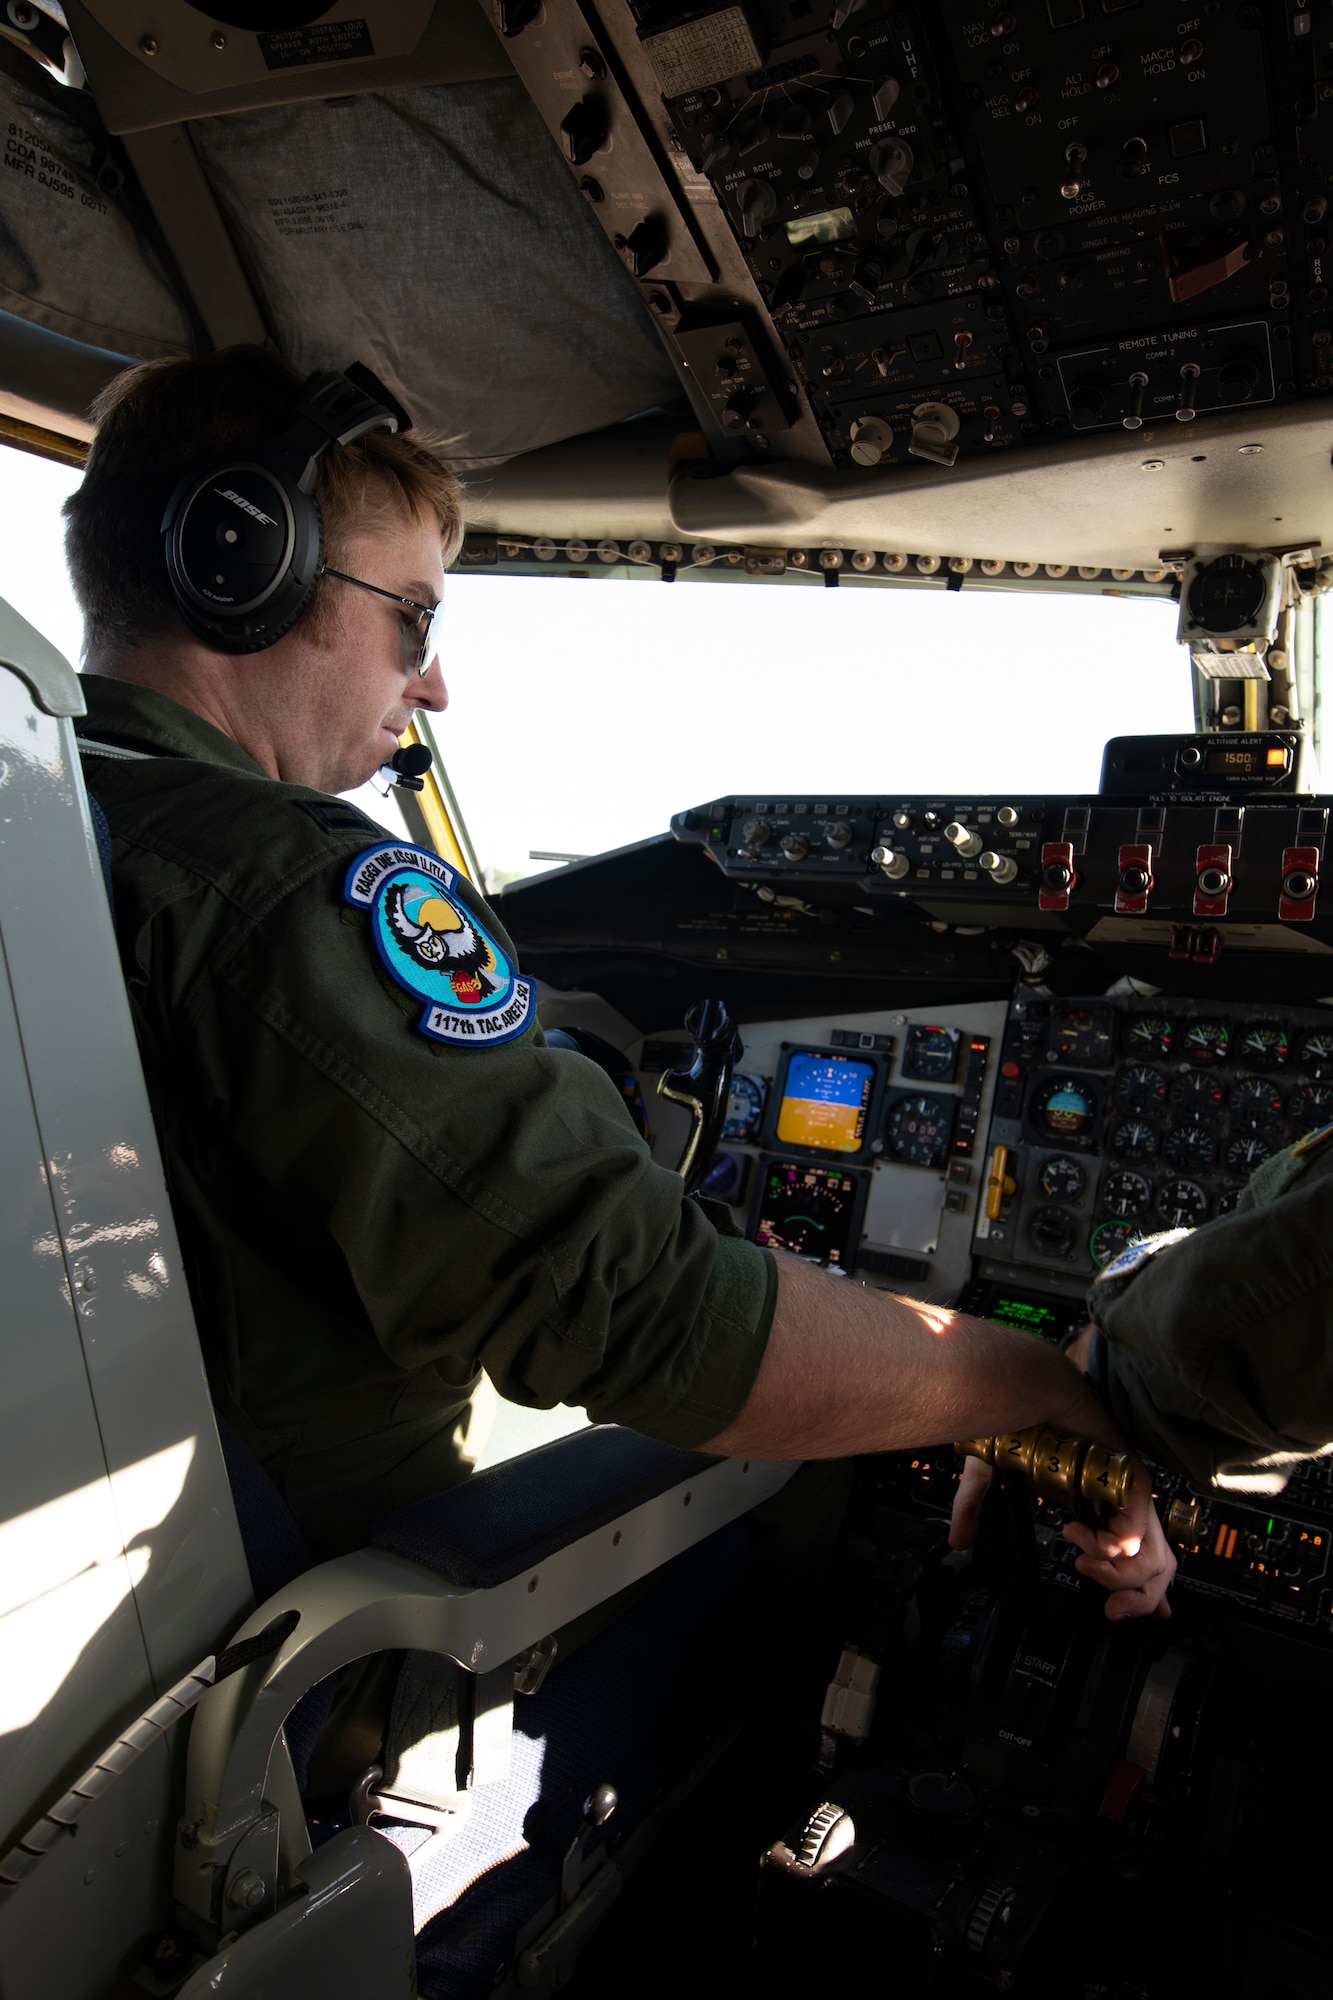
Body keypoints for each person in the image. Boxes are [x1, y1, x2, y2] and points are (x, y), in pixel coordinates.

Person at [64, 346, 1173, 1617]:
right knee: (805, 1509)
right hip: (305, 1614)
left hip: (121, 1563)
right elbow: (650, 1307)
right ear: (245, 565)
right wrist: (1020, 1382)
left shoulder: (53, 818)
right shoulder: (278, 885)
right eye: (413, 616)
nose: (432, 682)